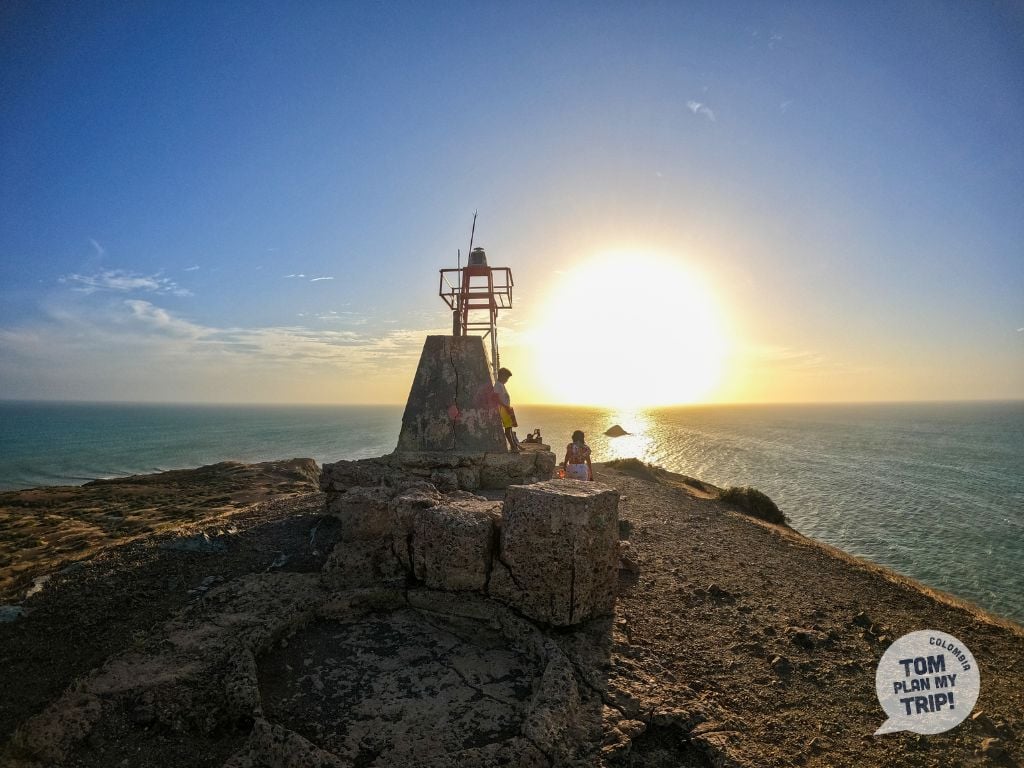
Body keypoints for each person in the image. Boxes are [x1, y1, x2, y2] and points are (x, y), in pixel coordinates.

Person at [493, 367, 519, 452]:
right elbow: (496, 398)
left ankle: (514, 445)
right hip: (503, 409)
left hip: (506, 408)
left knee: (510, 427)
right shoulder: (498, 385)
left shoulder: (501, 385)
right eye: (506, 378)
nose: (507, 380)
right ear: (502, 376)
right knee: (508, 428)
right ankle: (513, 447)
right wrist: (505, 406)